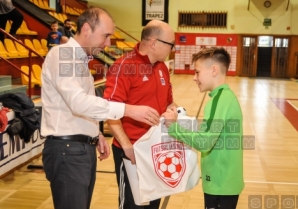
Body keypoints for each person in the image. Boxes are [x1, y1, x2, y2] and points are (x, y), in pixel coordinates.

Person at [41, 6, 160, 209]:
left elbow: (78, 108)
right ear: (86, 29)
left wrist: (95, 133)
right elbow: (78, 102)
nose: (107, 43)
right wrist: (128, 109)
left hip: (78, 149)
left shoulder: (78, 60)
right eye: (105, 36)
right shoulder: (62, 55)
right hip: (67, 151)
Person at [103, 20, 176, 209]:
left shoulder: (162, 68)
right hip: (131, 153)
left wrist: (173, 111)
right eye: (170, 44)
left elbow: (169, 101)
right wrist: (127, 146)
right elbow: (110, 109)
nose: (173, 48)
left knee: (153, 204)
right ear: (153, 43)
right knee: (133, 205)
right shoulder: (123, 67)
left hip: (156, 151)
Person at [163, 47, 244, 209]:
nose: (194, 78)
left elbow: (205, 142)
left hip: (220, 183)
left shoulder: (219, 100)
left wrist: (173, 127)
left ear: (214, 70)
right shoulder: (224, 97)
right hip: (223, 180)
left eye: (197, 72)